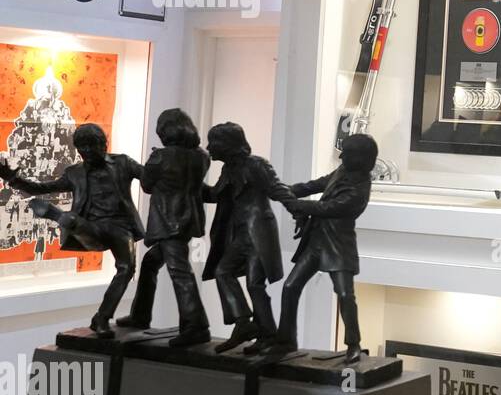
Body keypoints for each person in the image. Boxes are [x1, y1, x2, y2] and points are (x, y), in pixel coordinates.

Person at [0, 123, 144, 337]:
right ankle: (64, 219)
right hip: (92, 227)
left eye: (91, 145)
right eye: (81, 147)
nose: (86, 151)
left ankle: (101, 318)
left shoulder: (123, 162)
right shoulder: (74, 173)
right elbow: (42, 188)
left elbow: (149, 178)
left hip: (121, 226)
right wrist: (12, 179)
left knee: (127, 268)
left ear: (103, 144)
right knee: (73, 220)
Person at [269, 134, 377, 364]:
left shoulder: (360, 188)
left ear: (358, 157)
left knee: (346, 295)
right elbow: (313, 185)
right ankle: (286, 339)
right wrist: (283, 190)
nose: (341, 156)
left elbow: (329, 207)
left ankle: (353, 344)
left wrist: (294, 203)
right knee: (290, 287)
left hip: (338, 247)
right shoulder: (340, 173)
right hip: (316, 242)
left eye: (346, 152)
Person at [114, 109, 211, 348]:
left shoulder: (161, 157)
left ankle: (196, 325)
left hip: (168, 220)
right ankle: (140, 315)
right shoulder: (201, 156)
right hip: (188, 220)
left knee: (180, 273)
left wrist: (149, 164)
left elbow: (147, 185)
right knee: (150, 263)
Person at [201, 123, 294, 355]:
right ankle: (246, 323)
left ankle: (265, 333)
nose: (209, 147)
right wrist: (189, 182)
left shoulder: (256, 165)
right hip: (242, 234)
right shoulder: (229, 170)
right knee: (224, 272)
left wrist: (299, 209)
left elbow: (277, 189)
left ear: (228, 144)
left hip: (258, 233)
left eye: (214, 142)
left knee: (253, 284)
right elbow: (214, 194)